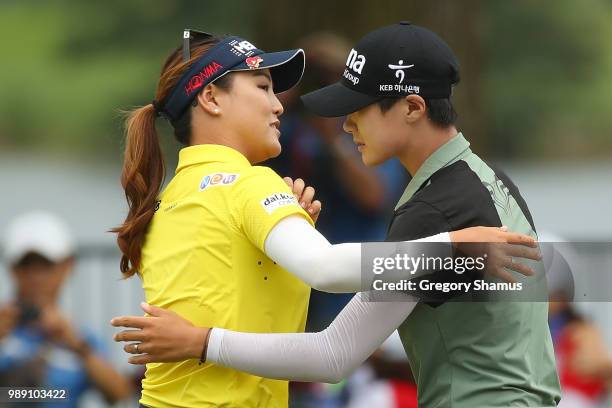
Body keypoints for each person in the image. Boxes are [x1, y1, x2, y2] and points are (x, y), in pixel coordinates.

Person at [111, 28, 543, 408]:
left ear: (413, 106)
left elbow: (239, 296)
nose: (279, 105)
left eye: (360, 105)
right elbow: (325, 280)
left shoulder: (166, 199)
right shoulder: (253, 185)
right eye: (262, 87)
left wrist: (283, 234)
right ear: (209, 98)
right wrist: (451, 246)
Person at [0, 211, 132, 407]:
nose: (35, 276)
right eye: (26, 265)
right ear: (12, 269)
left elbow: (120, 394)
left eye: (45, 266)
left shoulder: (79, 336)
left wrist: (78, 346)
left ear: (67, 266)